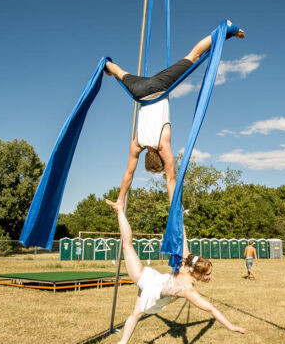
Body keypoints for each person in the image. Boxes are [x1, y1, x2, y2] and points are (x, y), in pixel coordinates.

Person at [104, 21, 245, 206]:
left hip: (158, 88)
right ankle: (106, 65)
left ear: (160, 160)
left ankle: (227, 27)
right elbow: (129, 173)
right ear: (146, 158)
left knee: (193, 56)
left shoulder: (163, 146)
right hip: (139, 90)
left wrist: (174, 210)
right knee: (121, 73)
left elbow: (171, 181)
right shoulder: (137, 144)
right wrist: (119, 198)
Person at [105, 199, 247, 344]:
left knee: (136, 314)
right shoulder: (187, 289)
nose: (210, 278)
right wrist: (231, 326)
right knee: (127, 246)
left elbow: (183, 236)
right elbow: (211, 309)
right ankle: (120, 210)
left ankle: (122, 343)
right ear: (198, 274)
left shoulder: (186, 262)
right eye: (207, 275)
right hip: (148, 282)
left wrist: (180, 217)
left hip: (154, 279)